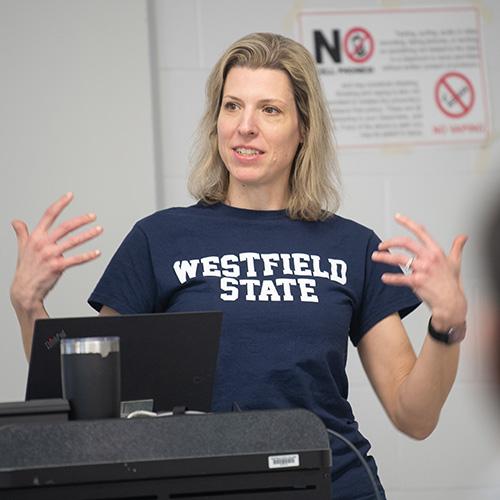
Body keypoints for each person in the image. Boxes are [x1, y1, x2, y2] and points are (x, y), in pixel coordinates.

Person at [10, 33, 468, 500]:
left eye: (269, 110)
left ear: (303, 127)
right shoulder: (160, 237)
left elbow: (415, 417)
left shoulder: (352, 245)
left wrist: (446, 324)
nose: (244, 126)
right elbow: (93, 410)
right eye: (232, 107)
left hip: (331, 484)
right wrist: (29, 306)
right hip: (197, 486)